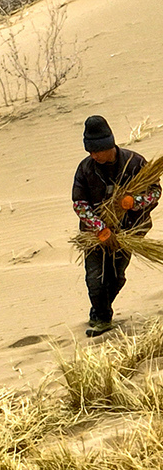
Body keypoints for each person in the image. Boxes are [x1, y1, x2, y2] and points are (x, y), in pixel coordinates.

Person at [73, 115, 158, 336]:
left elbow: (155, 191)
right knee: (95, 278)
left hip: (128, 232)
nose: (93, 155)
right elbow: (80, 204)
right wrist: (100, 227)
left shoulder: (135, 163)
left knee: (115, 277)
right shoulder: (85, 169)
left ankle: (100, 311)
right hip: (95, 235)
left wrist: (135, 203)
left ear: (109, 145)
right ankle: (102, 320)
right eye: (89, 151)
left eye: (96, 150)